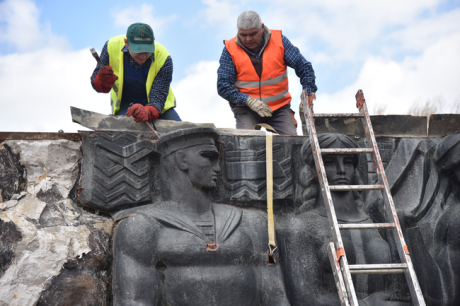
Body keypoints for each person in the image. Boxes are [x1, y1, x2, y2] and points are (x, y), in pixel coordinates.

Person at [112, 128, 291, 305]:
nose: (218, 168)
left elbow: (277, 297)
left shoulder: (252, 223)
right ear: (182, 160)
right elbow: (135, 301)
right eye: (208, 157)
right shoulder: (141, 226)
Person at [278, 133, 410, 306]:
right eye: (330, 162)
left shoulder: (378, 220)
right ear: (312, 169)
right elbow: (305, 300)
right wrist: (367, 304)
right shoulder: (300, 227)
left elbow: (403, 290)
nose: (341, 169)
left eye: (347, 162)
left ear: (355, 168)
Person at [217, 10, 317, 135]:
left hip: (279, 108)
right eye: (243, 35)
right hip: (246, 108)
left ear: (262, 28)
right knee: (246, 144)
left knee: (290, 144)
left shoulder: (279, 42)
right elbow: (223, 86)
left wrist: (308, 92)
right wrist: (248, 101)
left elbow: (304, 67)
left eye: (253, 34)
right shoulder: (230, 50)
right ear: (238, 31)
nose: (248, 39)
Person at [90, 22, 181, 124]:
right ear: (126, 43)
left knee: (183, 133)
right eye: (138, 51)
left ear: (153, 42)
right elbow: (95, 82)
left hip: (160, 107)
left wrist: (148, 112)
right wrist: (101, 82)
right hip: (126, 105)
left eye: (146, 51)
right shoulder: (111, 46)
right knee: (126, 133)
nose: (142, 56)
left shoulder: (164, 58)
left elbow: (158, 97)